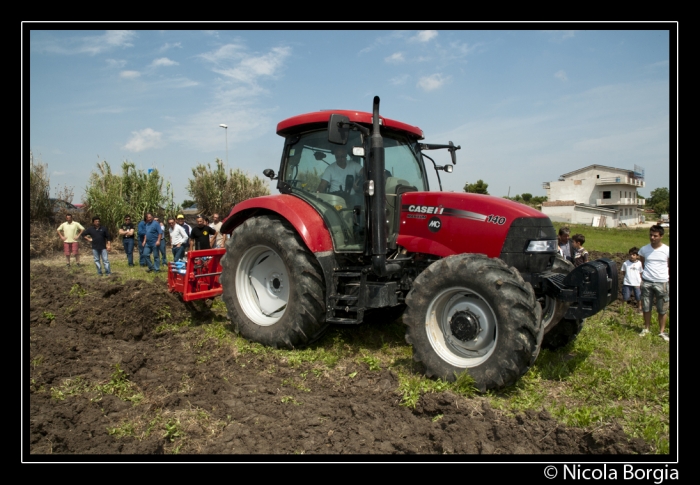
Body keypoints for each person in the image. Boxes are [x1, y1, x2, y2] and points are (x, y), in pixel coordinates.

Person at [638, 225, 670, 341]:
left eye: (655, 236)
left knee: (662, 308)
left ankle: (661, 332)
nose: (652, 238)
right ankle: (646, 328)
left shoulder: (667, 250)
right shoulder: (644, 249)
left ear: (661, 236)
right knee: (646, 306)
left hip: (662, 282)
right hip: (647, 282)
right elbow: (643, 264)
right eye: (651, 235)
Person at [621, 247, 643, 312]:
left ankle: (639, 308)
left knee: (638, 296)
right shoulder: (625, 263)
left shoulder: (639, 263)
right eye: (630, 254)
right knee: (626, 296)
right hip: (627, 283)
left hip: (637, 283)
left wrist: (640, 280)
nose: (631, 256)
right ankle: (623, 308)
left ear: (637, 256)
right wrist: (627, 278)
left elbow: (641, 272)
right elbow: (623, 272)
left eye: (633, 255)